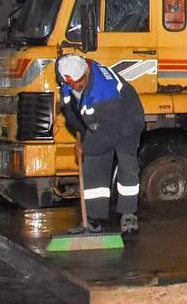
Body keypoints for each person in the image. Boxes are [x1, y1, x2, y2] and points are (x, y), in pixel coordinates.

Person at [56, 53, 145, 235]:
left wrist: (86, 146)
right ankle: (95, 219)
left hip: (127, 119)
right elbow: (70, 107)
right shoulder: (67, 74)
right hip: (100, 119)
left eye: (79, 82)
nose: (76, 87)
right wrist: (79, 127)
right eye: (72, 84)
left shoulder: (105, 92)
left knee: (127, 165)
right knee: (93, 166)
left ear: (87, 72)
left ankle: (128, 215)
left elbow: (109, 134)